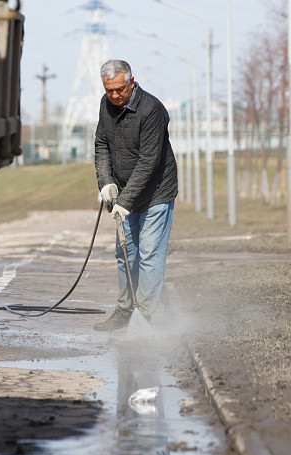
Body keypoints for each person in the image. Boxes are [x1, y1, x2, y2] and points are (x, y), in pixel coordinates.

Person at [93, 59, 178, 332]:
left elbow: (149, 161)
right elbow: (101, 145)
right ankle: (123, 312)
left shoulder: (152, 110)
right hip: (125, 191)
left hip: (156, 192)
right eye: (109, 90)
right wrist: (106, 183)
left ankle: (146, 317)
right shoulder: (106, 106)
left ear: (131, 82)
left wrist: (125, 202)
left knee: (149, 254)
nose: (115, 96)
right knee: (125, 254)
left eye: (119, 89)